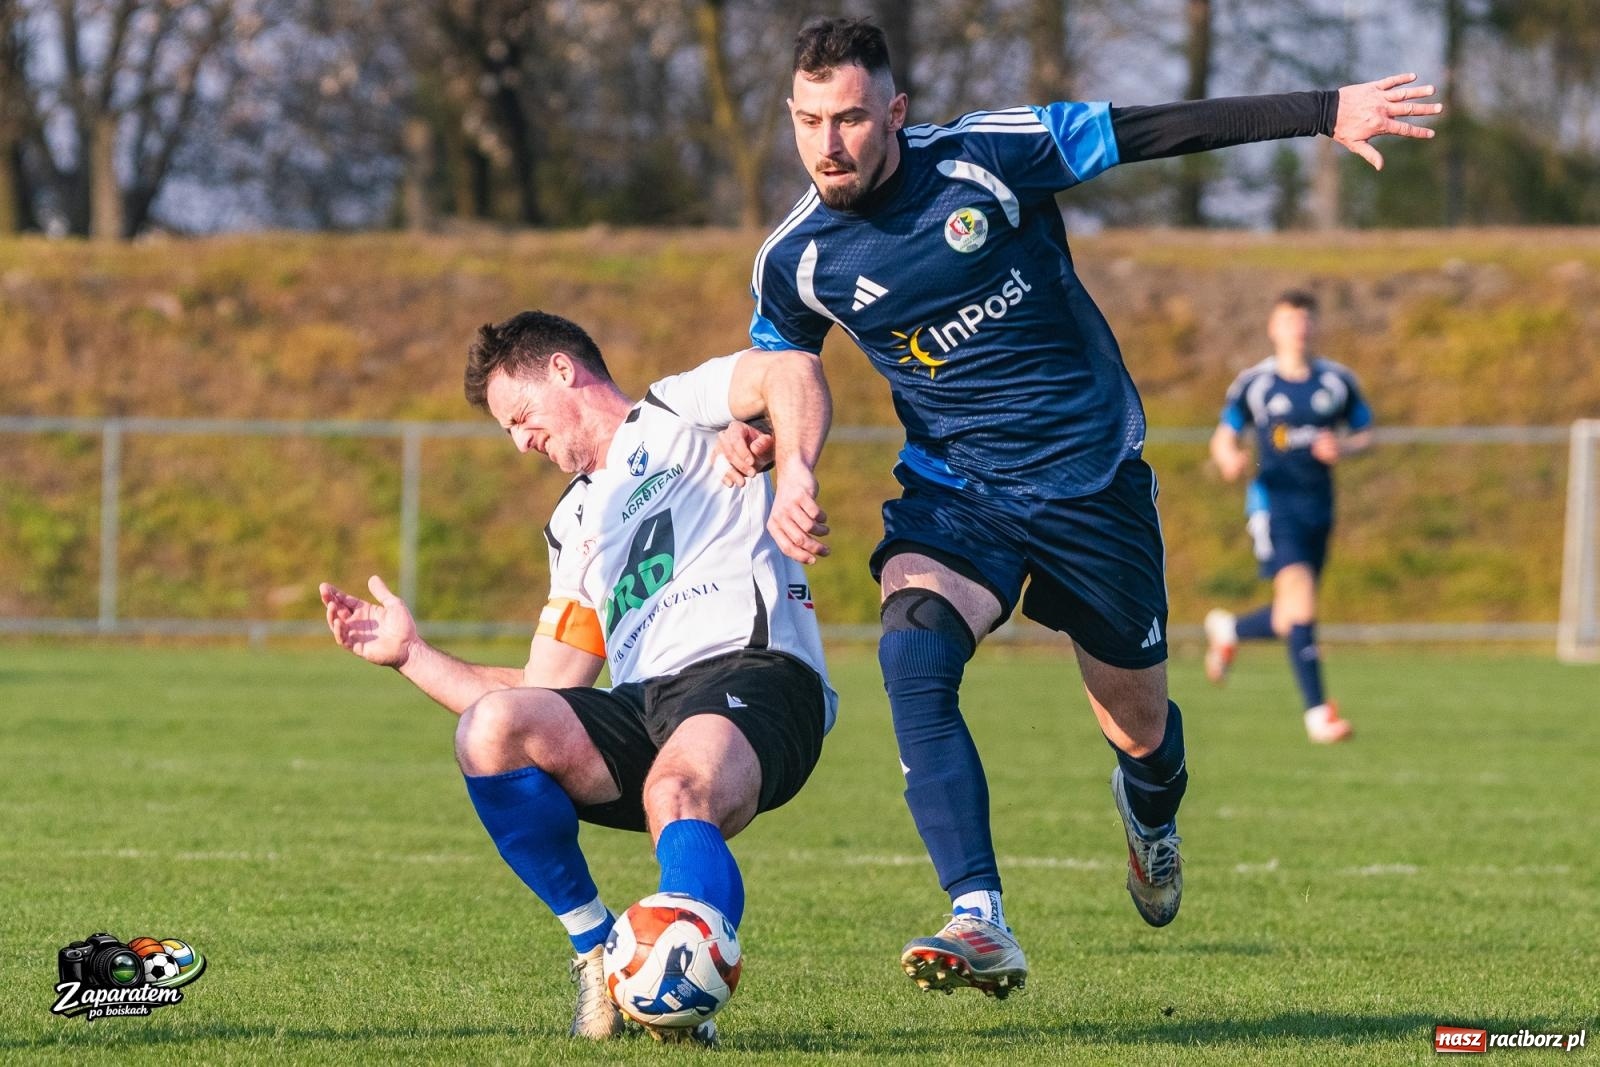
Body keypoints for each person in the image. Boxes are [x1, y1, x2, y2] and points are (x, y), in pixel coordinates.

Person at [723, 16, 1438, 998]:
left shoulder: (987, 155)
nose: (827, 145)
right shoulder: (796, 254)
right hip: (958, 489)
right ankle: (977, 914)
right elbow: (783, 358)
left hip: (1092, 485)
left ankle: (1148, 812)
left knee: (1140, 725)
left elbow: (1150, 129)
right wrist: (771, 443)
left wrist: (1321, 111)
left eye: (847, 119)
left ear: (891, 111)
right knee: (911, 647)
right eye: (807, 122)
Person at [319, 311, 836, 1046]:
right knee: (493, 729)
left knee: (675, 787)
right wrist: (411, 654)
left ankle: (680, 998)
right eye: (507, 431)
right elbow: (543, 685)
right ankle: (598, 949)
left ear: (564, 370)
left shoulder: (677, 410)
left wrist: (797, 472)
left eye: (520, 416)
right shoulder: (575, 521)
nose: (521, 440)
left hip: (754, 673)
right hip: (645, 705)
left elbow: (792, 370)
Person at [1205, 291, 1373, 743]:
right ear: (1272, 328)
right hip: (1273, 503)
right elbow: (1224, 436)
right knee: (1300, 599)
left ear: (1314, 327)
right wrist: (1229, 459)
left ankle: (1231, 628)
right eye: (1288, 320)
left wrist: (1345, 447)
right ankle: (1318, 714)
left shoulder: (1337, 382)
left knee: (1289, 617)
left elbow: (1366, 432)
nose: (1298, 328)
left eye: (1305, 320)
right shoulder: (1256, 383)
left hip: (1319, 505)